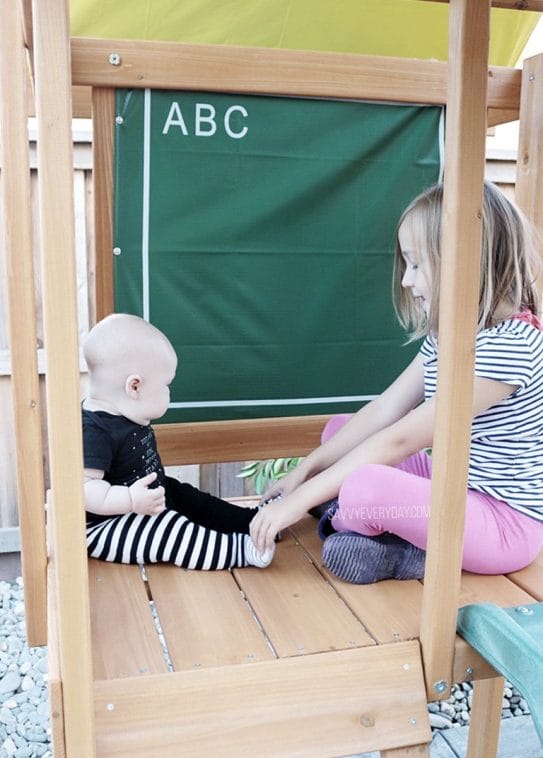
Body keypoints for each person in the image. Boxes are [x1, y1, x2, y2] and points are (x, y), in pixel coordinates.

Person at [250, 181, 543, 583]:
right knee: (340, 431)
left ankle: (399, 548)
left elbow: (399, 440)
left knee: (364, 489)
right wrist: (306, 471)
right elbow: (386, 410)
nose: (407, 280)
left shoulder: (511, 346)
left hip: (502, 525)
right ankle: (365, 522)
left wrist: (298, 501)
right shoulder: (453, 333)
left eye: (417, 264)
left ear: (464, 261)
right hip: (454, 485)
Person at [82, 313, 274, 569]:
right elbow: (83, 491)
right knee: (169, 531)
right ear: (135, 387)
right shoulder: (94, 430)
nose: (169, 392)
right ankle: (239, 551)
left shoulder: (125, 412)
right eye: (166, 385)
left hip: (145, 504)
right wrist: (129, 499)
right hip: (106, 526)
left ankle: (253, 523)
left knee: (189, 498)